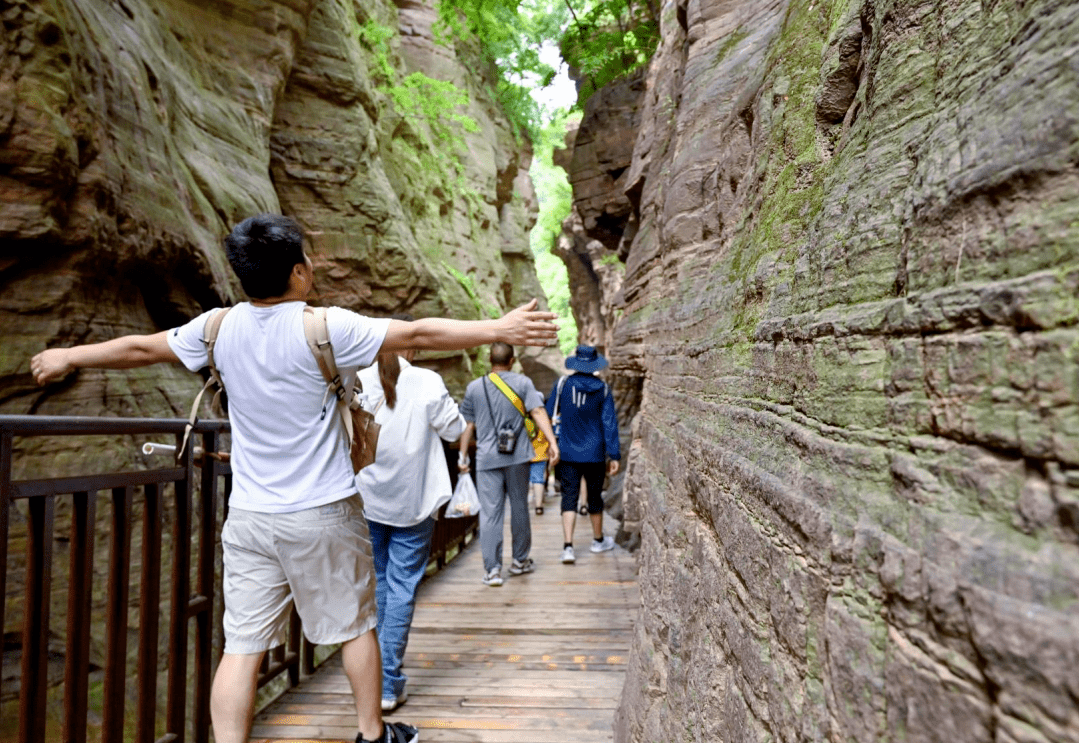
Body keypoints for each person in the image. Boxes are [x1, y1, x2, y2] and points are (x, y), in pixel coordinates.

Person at [28, 214, 558, 743]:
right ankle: (373, 735)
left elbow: (142, 348)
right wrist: (498, 329)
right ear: (300, 272)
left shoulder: (215, 327)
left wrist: (67, 355)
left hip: (251, 516)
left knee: (242, 646)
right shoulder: (324, 327)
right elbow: (415, 333)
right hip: (322, 511)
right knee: (354, 627)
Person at [356, 327, 465, 713]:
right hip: (414, 501)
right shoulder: (427, 381)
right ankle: (387, 683)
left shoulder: (358, 379)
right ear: (413, 347)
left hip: (368, 500)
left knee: (381, 583)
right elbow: (454, 430)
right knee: (401, 587)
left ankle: (378, 680)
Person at [458, 343, 559, 586]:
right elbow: (537, 412)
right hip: (518, 457)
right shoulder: (523, 383)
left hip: (486, 459)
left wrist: (463, 456)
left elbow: (467, 425)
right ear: (512, 360)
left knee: (490, 514)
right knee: (519, 509)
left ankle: (492, 570)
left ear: (489, 360)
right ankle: (519, 561)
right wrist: (553, 443)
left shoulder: (474, 387)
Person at [546, 345, 621, 564]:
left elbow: (548, 413)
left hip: (567, 452)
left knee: (569, 497)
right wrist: (614, 455)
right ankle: (598, 541)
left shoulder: (562, 385)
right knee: (595, 497)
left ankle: (568, 547)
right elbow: (609, 424)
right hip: (596, 454)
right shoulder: (603, 389)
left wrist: (551, 445)